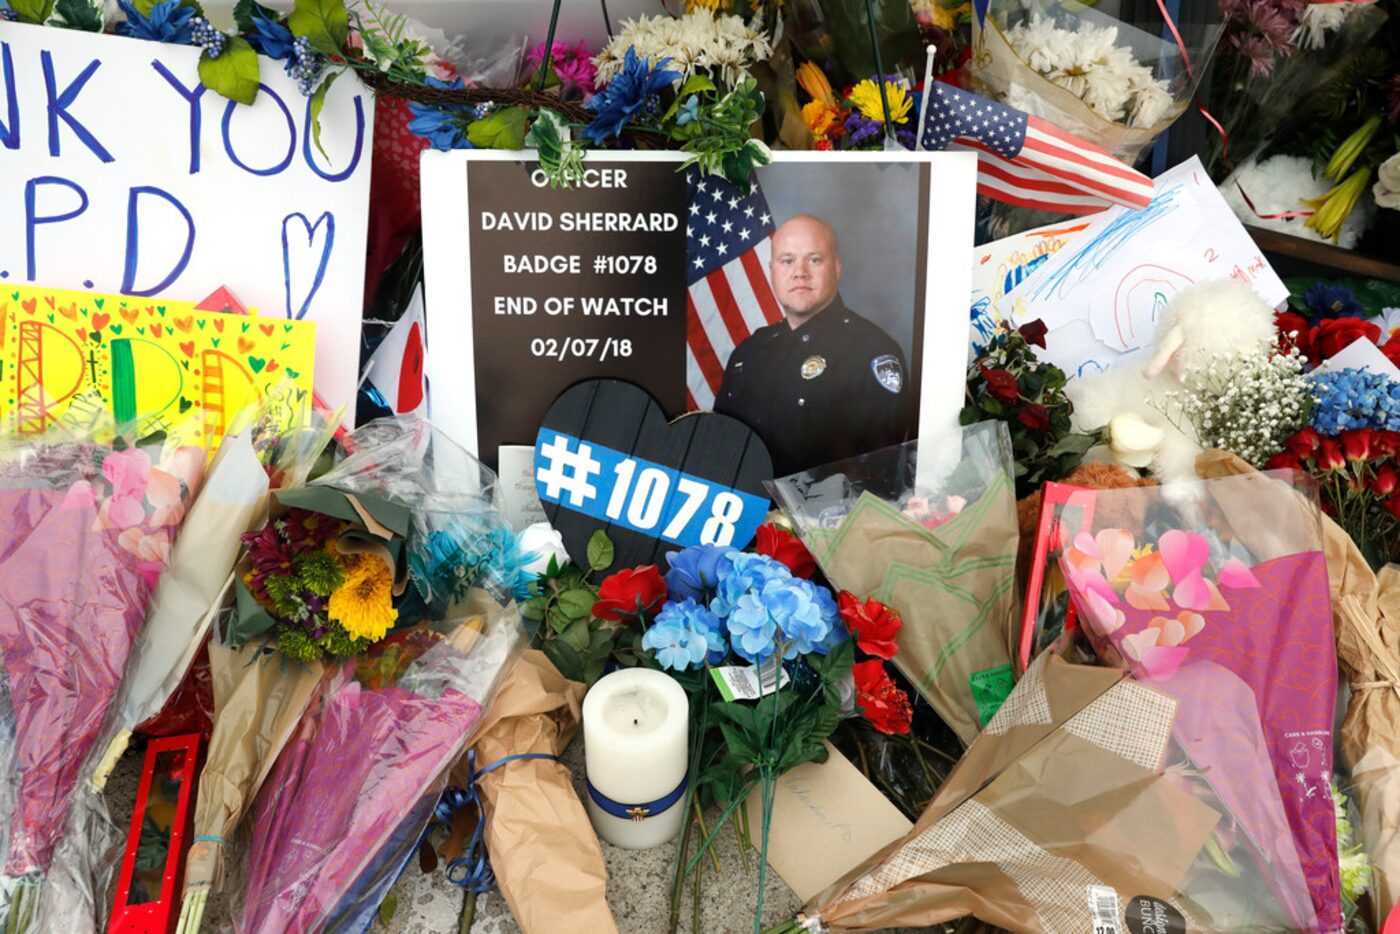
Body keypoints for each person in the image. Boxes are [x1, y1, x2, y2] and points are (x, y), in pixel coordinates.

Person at [715, 215, 912, 477]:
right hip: (741, 513)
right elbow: (718, 447)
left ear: (837, 268)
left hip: (824, 517)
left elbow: (872, 475)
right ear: (772, 270)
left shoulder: (871, 353)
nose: (800, 272)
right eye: (787, 261)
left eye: (814, 259)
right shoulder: (749, 354)